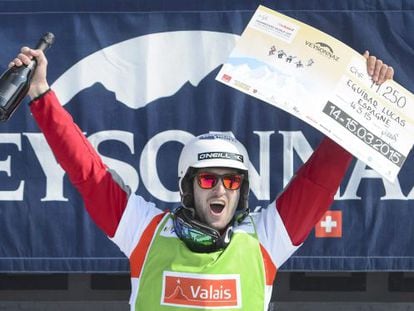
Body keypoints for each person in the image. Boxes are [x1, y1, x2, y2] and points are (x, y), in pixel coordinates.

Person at [10, 47, 393, 310]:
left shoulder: (266, 239)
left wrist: (360, 97)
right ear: (188, 187)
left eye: (232, 182)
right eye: (209, 180)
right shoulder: (144, 230)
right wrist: (41, 93)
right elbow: (87, 173)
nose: (221, 190)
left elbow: (319, 179)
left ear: (242, 190)